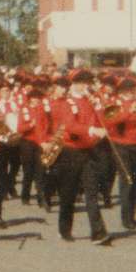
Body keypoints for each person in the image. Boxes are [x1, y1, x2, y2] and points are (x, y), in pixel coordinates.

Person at [50, 69, 111, 245]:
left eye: (87, 82)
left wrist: (99, 108)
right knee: (68, 193)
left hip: (89, 150)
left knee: (91, 191)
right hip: (71, 151)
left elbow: (101, 121)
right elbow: (70, 125)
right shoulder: (65, 102)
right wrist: (92, 130)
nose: (86, 86)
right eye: (82, 82)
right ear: (74, 84)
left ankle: (98, 232)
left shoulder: (89, 101)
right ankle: (64, 229)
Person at [106, 77, 136, 230]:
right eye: (127, 90)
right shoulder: (114, 101)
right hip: (123, 145)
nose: (130, 92)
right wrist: (127, 112)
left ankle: (132, 213)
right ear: (121, 90)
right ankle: (127, 218)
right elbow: (109, 120)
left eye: (131, 89)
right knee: (127, 181)